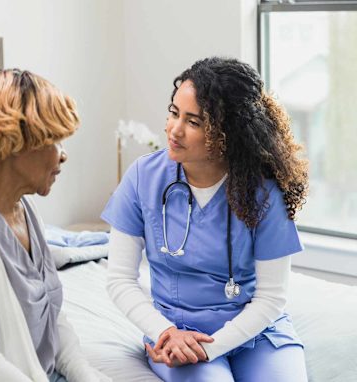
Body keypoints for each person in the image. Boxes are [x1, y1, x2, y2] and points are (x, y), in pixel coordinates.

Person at [101, 57, 309, 381]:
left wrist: (211, 348)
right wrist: (165, 334)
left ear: (227, 133)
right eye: (174, 113)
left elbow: (271, 297)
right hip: (178, 334)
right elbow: (119, 279)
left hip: (258, 334)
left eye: (194, 122)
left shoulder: (264, 192)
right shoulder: (144, 177)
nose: (174, 129)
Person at [0, 69, 111, 382]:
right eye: (54, 140)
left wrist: (86, 374)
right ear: (14, 142)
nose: (64, 155)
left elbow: (51, 316)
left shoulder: (24, 206)